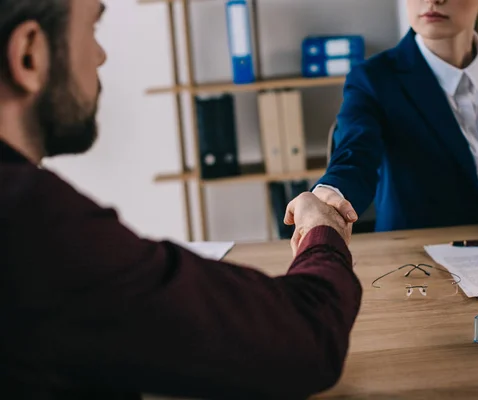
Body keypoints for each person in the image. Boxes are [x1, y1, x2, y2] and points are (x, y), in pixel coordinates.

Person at [0, 0, 361, 399]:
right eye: (92, 29)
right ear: (29, 53)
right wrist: (322, 229)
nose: (101, 55)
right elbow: (305, 337)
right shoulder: (33, 223)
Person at [309, 0, 478, 250]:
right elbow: (355, 156)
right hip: (414, 261)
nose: (433, 0)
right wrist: (328, 196)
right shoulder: (373, 79)